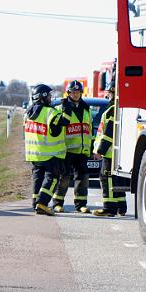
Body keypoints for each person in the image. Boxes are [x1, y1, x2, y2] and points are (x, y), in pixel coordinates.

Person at [24, 83, 71, 216]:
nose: (51, 97)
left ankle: (35, 203)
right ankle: (42, 203)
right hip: (50, 154)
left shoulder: (28, 113)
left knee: (38, 178)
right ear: (43, 96)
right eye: (49, 95)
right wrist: (67, 108)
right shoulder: (49, 112)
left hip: (34, 154)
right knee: (53, 178)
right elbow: (64, 121)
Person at [50, 80, 93, 214]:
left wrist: (90, 147)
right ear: (68, 93)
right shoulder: (61, 108)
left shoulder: (86, 108)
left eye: (78, 92)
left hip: (82, 149)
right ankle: (57, 203)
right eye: (73, 92)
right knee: (65, 177)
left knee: (83, 176)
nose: (76, 94)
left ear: (81, 93)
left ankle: (81, 204)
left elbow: (89, 129)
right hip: (66, 149)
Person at [93, 82, 127, 217]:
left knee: (106, 179)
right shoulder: (116, 108)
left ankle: (109, 208)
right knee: (117, 180)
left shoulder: (113, 109)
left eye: (109, 92)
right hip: (115, 152)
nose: (107, 95)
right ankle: (121, 207)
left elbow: (109, 133)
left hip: (109, 152)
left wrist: (100, 150)